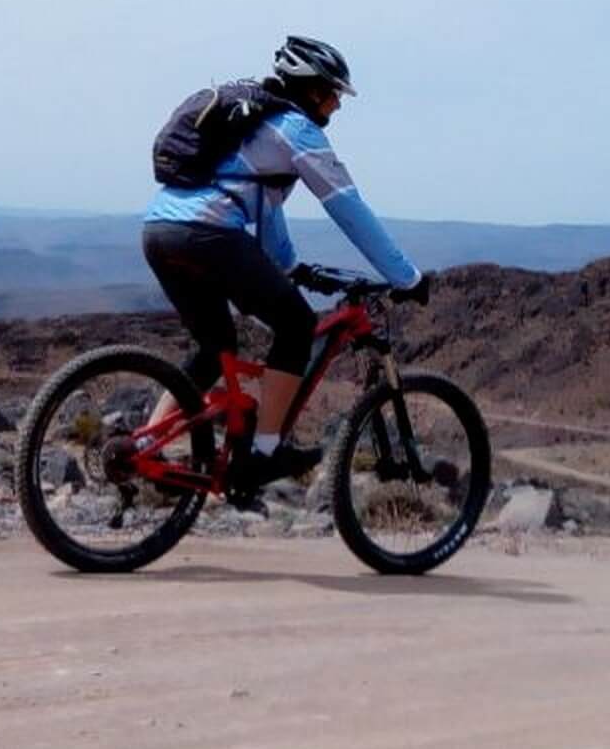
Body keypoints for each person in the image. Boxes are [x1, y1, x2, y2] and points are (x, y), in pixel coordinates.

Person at [142, 35, 427, 491]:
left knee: (215, 345)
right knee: (295, 325)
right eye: (331, 92)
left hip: (159, 231)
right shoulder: (297, 131)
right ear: (308, 88)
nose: (337, 103)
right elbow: (348, 208)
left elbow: (262, 204)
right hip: (210, 234)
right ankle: (264, 453)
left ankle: (144, 449)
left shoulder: (254, 125)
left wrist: (292, 267)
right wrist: (405, 276)